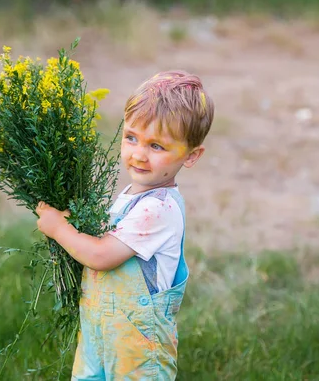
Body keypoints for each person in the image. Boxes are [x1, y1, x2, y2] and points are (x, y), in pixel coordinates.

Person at [36, 70, 215, 380]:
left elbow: (102, 256)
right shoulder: (131, 196)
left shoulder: (159, 209)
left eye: (156, 146)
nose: (139, 154)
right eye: (132, 138)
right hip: (101, 329)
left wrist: (60, 229)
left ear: (191, 156)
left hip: (138, 347)